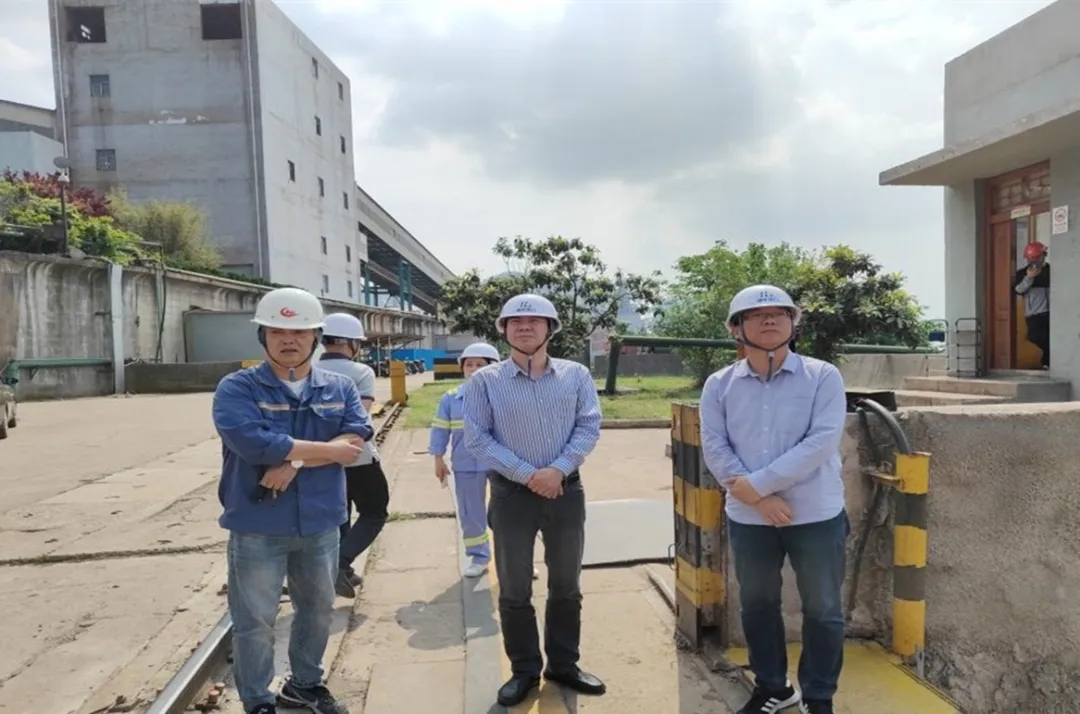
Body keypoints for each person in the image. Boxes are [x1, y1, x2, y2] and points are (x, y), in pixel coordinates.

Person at [212, 287, 374, 714]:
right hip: (257, 525)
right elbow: (254, 444)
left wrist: (295, 462)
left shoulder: (339, 387)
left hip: (320, 523)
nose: (289, 339)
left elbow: (356, 439)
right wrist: (327, 450)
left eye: (300, 332)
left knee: (318, 610)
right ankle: (257, 700)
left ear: (316, 337)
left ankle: (305, 685)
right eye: (278, 331)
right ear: (262, 336)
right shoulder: (237, 388)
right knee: (255, 620)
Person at [698, 285, 848, 714]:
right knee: (758, 604)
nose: (769, 320)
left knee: (823, 607)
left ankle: (818, 695)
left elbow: (821, 442)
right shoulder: (719, 385)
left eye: (779, 313)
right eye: (755, 314)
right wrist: (759, 500)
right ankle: (773, 687)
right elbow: (715, 446)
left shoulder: (823, 377)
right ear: (735, 328)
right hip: (750, 517)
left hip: (815, 513)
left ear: (793, 323)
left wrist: (759, 485)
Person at [460, 293, 605, 707]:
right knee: (514, 588)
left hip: (565, 491)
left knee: (566, 584)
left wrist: (557, 470)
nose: (525, 327)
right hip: (511, 496)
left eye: (535, 321)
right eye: (516, 321)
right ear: (504, 330)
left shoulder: (575, 375)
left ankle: (563, 664)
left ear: (550, 329)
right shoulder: (485, 381)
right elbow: (477, 439)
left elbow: (589, 425)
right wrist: (529, 475)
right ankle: (524, 670)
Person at [315, 312, 388, 599]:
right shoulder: (361, 372)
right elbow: (361, 415)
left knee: (340, 514)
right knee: (374, 511)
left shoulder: (310, 369)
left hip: (318, 456)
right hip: (356, 454)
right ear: (352, 344)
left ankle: (342, 571)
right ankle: (340, 563)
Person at [428, 342, 502, 578]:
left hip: (502, 464)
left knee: (508, 513)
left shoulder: (505, 397)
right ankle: (479, 557)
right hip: (466, 464)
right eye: (469, 364)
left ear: (494, 367)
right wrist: (438, 458)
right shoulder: (451, 399)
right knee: (471, 513)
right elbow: (440, 429)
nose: (474, 369)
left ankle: (516, 559)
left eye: (480, 364)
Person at [1014, 240, 1050, 369]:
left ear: (1043, 256)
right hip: (1034, 314)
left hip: (1052, 314)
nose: (1033, 261)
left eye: (1036, 258)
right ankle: (1043, 363)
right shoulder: (1022, 273)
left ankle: (1047, 364)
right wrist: (1029, 277)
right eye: (1030, 259)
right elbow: (1018, 290)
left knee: (1052, 340)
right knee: (1035, 338)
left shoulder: (1051, 271)